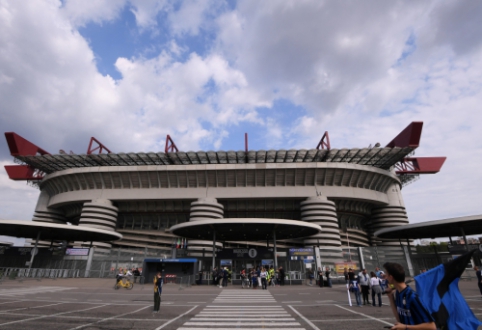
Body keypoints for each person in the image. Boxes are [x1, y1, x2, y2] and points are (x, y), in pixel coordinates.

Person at [383, 262, 436, 330]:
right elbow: (399, 319)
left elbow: (432, 326)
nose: (385, 277)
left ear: (391, 277)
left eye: (386, 274)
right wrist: (390, 297)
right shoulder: (398, 293)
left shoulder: (412, 297)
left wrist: (405, 327)